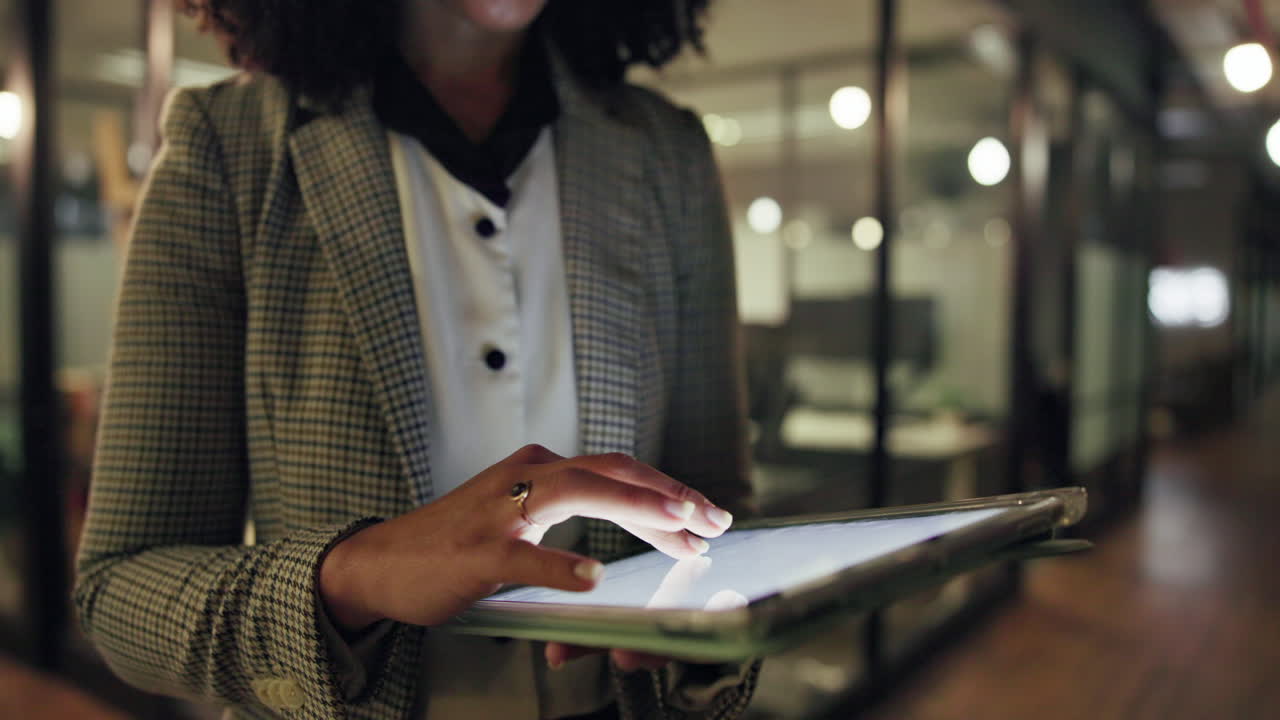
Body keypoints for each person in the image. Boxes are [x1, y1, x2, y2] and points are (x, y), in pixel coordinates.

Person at [73, 1, 758, 719]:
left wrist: (706, 633)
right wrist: (360, 574)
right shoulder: (229, 145)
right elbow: (120, 592)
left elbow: (719, 515)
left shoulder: (667, 151)